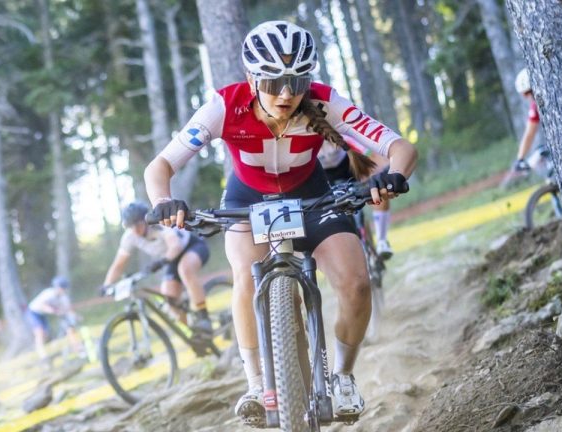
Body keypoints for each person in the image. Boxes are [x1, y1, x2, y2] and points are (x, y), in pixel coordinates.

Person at [143, 21, 417, 427]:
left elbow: (400, 147)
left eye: (297, 80)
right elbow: (160, 165)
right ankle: (256, 383)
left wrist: (393, 176)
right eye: (273, 82)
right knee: (245, 276)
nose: (287, 93)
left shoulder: (325, 101)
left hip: (311, 195)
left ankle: (342, 376)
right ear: (252, 77)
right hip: (247, 198)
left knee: (356, 282)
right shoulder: (223, 106)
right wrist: (164, 201)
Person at [103, 201, 212, 335]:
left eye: (138, 224)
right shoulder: (129, 237)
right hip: (169, 259)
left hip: (191, 247)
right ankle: (194, 335)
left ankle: (203, 316)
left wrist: (161, 262)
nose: (135, 229)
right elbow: (118, 264)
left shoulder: (159, 224)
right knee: (169, 299)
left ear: (145, 219)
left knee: (185, 269)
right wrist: (107, 285)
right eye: (130, 226)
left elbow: (175, 246)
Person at [318, 136, 394, 259]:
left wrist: (384, 171)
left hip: (350, 169)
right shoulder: (306, 143)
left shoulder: (339, 134)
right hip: (324, 177)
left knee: (378, 188)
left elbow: (370, 155)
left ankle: (382, 240)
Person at [26, 276, 84, 364]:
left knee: (48, 334)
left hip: (43, 315)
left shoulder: (63, 298)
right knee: (39, 333)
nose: (60, 290)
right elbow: (42, 305)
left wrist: (76, 316)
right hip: (33, 312)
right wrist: (55, 311)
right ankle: (43, 356)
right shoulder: (48, 293)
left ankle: (77, 349)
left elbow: (68, 309)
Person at [511, 68, 542, 174]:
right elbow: (530, 132)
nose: (525, 97)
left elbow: (530, 133)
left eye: (526, 93)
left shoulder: (536, 105)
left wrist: (520, 158)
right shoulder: (536, 104)